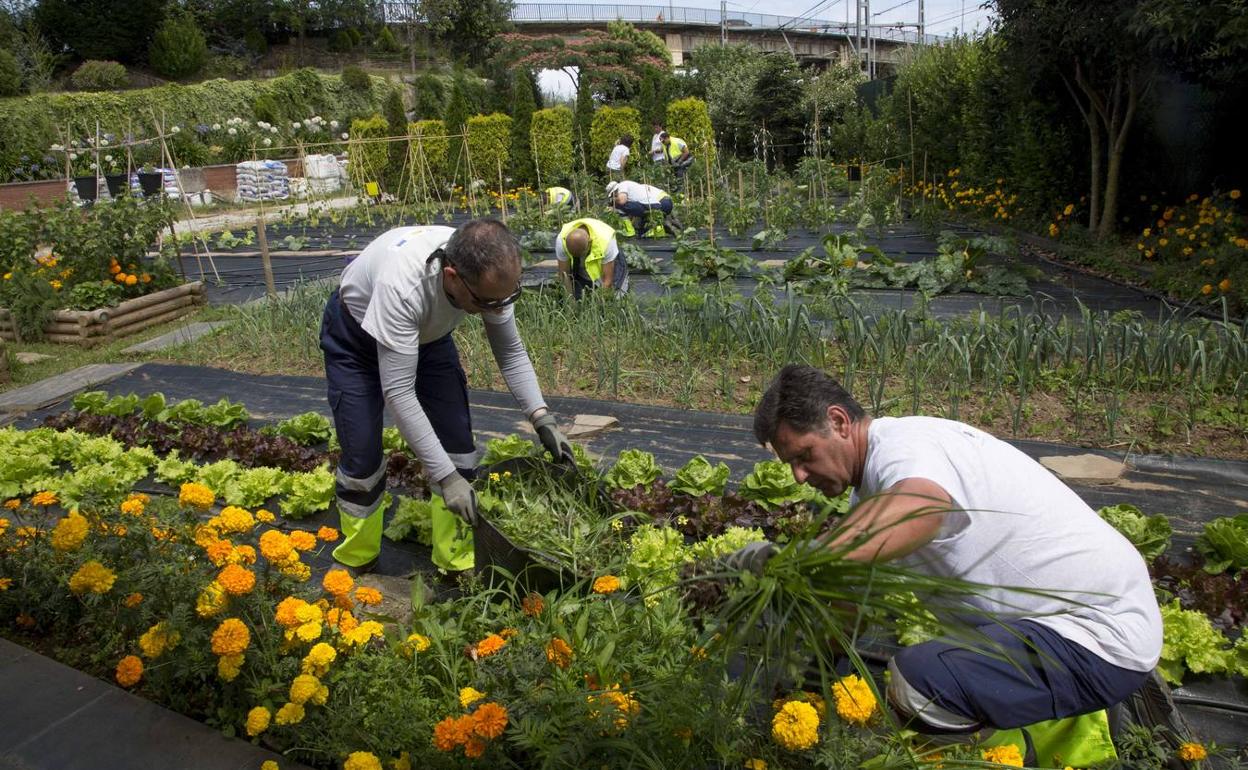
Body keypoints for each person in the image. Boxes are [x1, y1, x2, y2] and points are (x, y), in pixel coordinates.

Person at [730, 365, 1163, 763]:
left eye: (804, 456)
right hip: (1051, 629)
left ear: (840, 423)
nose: (799, 477)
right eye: (791, 465)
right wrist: (807, 684)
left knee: (921, 681)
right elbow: (850, 608)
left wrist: (798, 559)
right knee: (926, 682)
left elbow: (922, 505)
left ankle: (999, 755)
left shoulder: (906, 448)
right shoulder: (874, 495)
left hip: (1097, 636)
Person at [320, 220, 574, 573]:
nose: (496, 308)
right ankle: (357, 557)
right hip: (356, 340)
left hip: (427, 338)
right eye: (486, 302)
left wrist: (541, 416)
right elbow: (399, 393)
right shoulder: (405, 287)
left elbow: (511, 352)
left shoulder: (491, 276)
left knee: (457, 442)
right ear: (452, 277)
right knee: (362, 452)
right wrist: (446, 478)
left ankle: (455, 561)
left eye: (506, 297)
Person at [554, 217, 628, 299]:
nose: (580, 257)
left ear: (589, 242)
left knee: (616, 296)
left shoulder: (606, 242)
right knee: (580, 297)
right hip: (584, 268)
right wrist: (570, 301)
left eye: (581, 254)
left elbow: (608, 280)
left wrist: (597, 305)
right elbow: (564, 275)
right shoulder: (561, 241)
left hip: (608, 264)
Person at [606, 179, 682, 236]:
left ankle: (630, 231)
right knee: (641, 231)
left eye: (614, 194)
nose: (615, 196)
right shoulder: (636, 188)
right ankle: (666, 224)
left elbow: (622, 201)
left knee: (618, 205)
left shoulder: (622, 185)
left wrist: (613, 204)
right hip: (663, 203)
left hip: (660, 204)